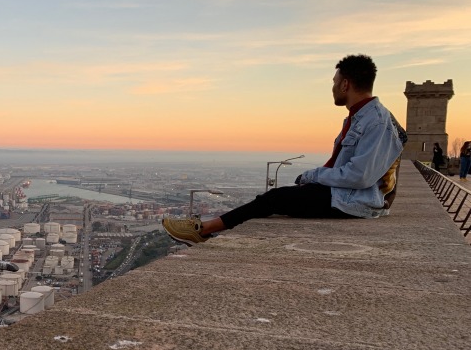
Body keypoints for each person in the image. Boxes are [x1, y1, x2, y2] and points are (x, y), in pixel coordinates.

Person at [163, 54, 407, 246]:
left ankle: (203, 230)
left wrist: (313, 175)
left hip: (356, 203)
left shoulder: (376, 121)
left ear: (345, 84)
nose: (332, 88)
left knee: (273, 199)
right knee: (279, 199)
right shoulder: (358, 118)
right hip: (346, 197)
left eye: (334, 83)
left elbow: (360, 176)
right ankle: (205, 229)